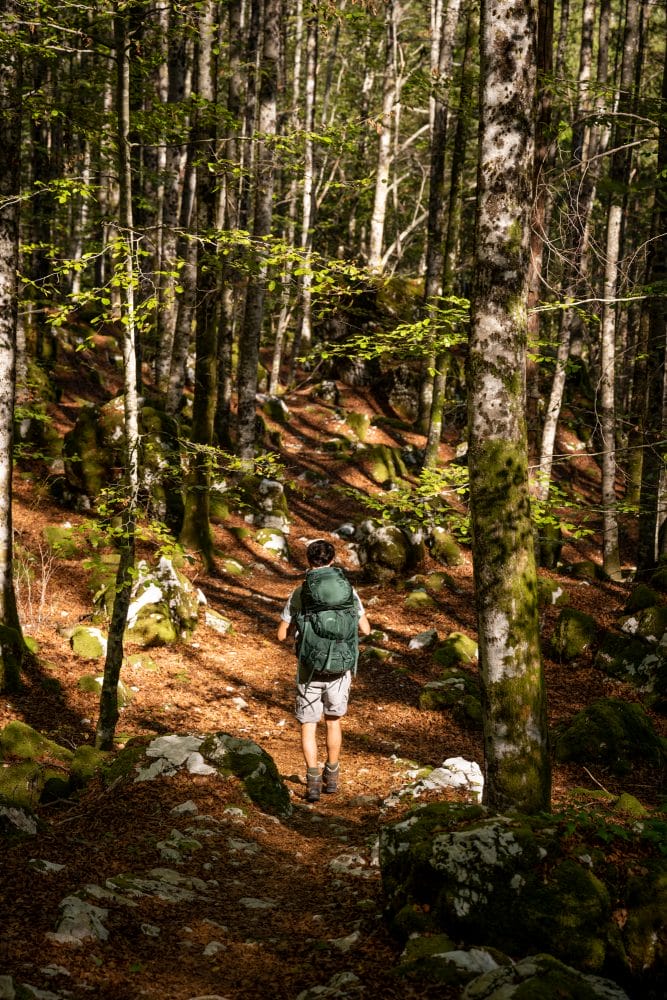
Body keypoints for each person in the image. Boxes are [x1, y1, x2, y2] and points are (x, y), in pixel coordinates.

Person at [277, 538, 371, 802]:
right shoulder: (348, 592)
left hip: (310, 669)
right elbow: (365, 629)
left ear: (308, 561)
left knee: (308, 725)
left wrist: (300, 626)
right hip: (340, 669)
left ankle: (313, 781)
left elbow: (281, 634)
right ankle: (333, 775)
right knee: (333, 721)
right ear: (332, 560)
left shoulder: (300, 593)